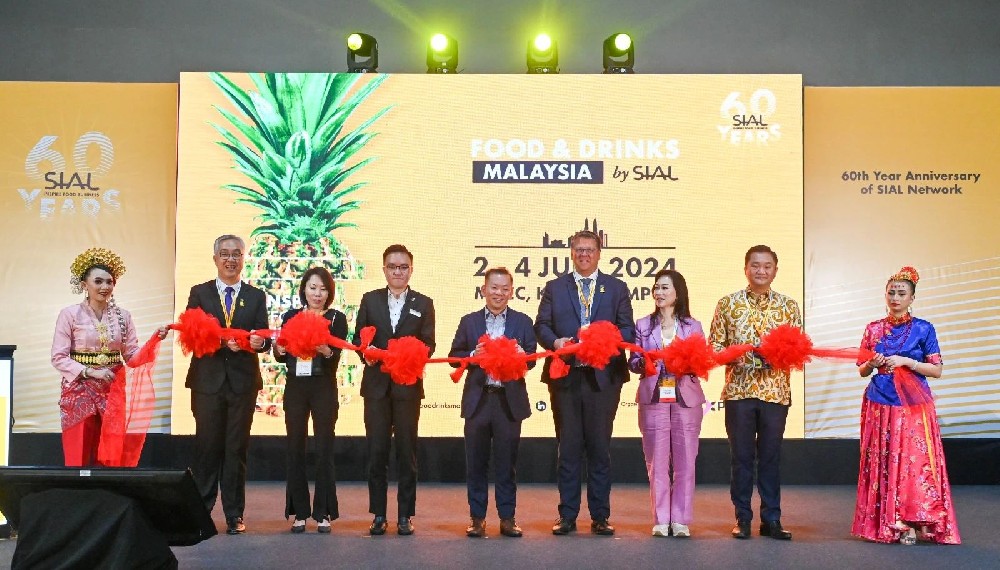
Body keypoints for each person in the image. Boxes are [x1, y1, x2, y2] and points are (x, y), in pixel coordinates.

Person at [535, 230, 635, 536]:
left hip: (603, 379)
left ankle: (600, 516)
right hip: (566, 377)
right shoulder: (555, 287)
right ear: (571, 253)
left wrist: (604, 341)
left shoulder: (616, 288)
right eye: (579, 249)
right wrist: (556, 342)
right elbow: (542, 326)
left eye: (589, 249)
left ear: (599, 253)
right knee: (568, 448)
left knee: (599, 448)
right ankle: (567, 515)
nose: (584, 254)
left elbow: (627, 330)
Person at [852, 266, 960, 545]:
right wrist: (872, 363)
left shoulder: (924, 328)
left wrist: (908, 362)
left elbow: (936, 370)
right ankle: (892, 520)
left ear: (912, 298)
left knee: (914, 462)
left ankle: (916, 518)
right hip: (880, 401)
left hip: (913, 404)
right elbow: (862, 371)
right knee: (885, 460)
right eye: (891, 293)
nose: (896, 298)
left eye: (902, 293)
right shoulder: (873, 328)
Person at [709, 244, 801, 540]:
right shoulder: (728, 303)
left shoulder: (788, 306)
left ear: (775, 270)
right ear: (746, 269)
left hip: (775, 392)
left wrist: (777, 355)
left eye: (767, 266)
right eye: (755, 265)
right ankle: (743, 518)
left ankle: (772, 519)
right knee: (742, 457)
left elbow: (798, 349)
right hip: (739, 391)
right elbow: (715, 346)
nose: (761, 271)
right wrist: (735, 355)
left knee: (771, 457)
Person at [51, 247, 168, 466]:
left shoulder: (123, 316)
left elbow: (131, 357)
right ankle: (77, 488)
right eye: (98, 281)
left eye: (109, 282)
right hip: (79, 390)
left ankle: (108, 489)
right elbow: (58, 357)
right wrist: (90, 372)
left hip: (111, 389)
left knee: (110, 453)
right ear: (84, 285)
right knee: (79, 452)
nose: (105, 287)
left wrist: (154, 341)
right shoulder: (69, 315)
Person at [185, 234, 270, 535]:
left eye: (236, 254)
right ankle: (201, 513)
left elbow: (263, 338)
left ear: (243, 259)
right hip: (207, 382)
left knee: (236, 449)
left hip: (242, 383)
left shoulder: (256, 296)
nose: (230, 259)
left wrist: (259, 343)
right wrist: (224, 342)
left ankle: (234, 514)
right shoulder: (200, 293)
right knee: (206, 448)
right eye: (225, 254)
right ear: (215, 259)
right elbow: (192, 335)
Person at [353, 244, 435, 536]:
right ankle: (378, 514)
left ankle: (404, 515)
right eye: (392, 267)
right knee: (376, 452)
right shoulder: (370, 299)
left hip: (407, 388)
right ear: (384, 269)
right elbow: (358, 339)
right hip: (376, 387)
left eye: (403, 267)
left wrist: (408, 355)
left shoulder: (424, 303)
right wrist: (366, 353)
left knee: (406, 452)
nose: (397, 272)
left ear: (411, 270)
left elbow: (429, 345)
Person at [449, 268, 537, 538]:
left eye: (504, 288)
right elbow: (454, 357)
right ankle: (477, 519)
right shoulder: (469, 322)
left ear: (512, 291)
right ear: (483, 290)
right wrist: (472, 354)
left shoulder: (523, 321)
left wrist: (523, 356)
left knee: (507, 464)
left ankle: (507, 518)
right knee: (476, 463)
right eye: (494, 288)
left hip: (508, 402)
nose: (499, 293)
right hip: (478, 400)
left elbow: (533, 359)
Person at [628, 270, 705, 538]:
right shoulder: (643, 324)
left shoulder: (693, 326)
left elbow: (701, 362)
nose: (658, 293)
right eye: (656, 288)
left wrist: (684, 361)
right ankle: (661, 519)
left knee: (686, 462)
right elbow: (633, 362)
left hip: (686, 399)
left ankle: (680, 519)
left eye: (664, 288)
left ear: (677, 292)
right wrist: (646, 361)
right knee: (657, 462)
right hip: (654, 397)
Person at [273, 267, 348, 534]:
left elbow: (335, 357)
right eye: (313, 288)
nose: (318, 294)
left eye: (323, 289)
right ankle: (300, 512)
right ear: (304, 289)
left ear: (330, 293)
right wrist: (278, 349)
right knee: (295, 447)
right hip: (296, 386)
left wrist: (326, 351)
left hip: (323, 386)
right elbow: (281, 355)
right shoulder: (291, 316)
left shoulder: (337, 318)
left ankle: (323, 511)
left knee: (324, 447)